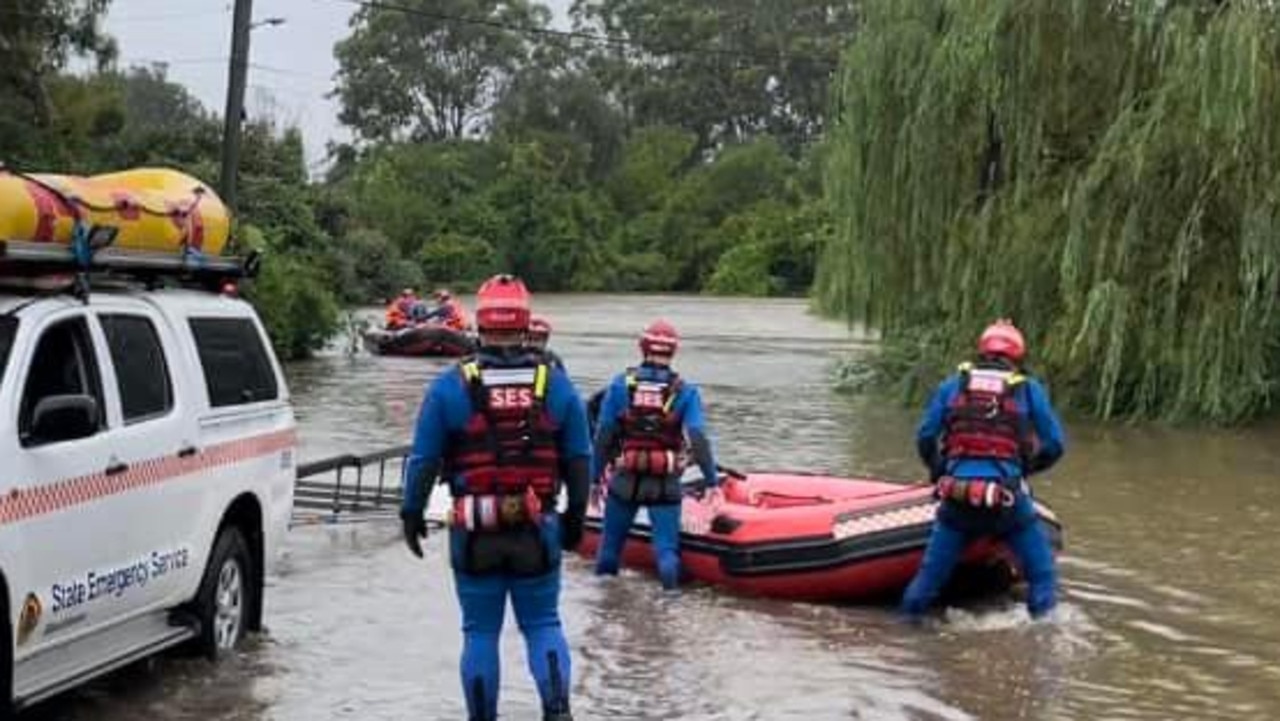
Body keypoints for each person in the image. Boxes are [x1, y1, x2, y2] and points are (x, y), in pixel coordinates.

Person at [400, 274, 591, 721]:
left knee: (479, 634)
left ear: (480, 324)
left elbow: (424, 461)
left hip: (473, 532)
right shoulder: (557, 384)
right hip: (537, 527)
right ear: (526, 323)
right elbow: (580, 460)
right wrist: (575, 522)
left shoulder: (449, 386)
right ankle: (558, 712)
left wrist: (411, 515)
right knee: (543, 625)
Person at [902, 319, 1066, 622]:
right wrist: (1025, 469)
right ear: (1017, 356)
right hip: (1008, 502)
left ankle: (906, 635)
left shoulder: (953, 386)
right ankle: (1044, 639)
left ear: (982, 351)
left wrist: (939, 470)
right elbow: (1055, 444)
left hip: (956, 498)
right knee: (1042, 577)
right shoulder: (1028, 390)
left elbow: (926, 437)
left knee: (927, 582)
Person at [591, 320, 719, 590]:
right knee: (666, 553)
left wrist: (593, 480)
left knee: (609, 552)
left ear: (643, 347)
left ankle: (604, 613)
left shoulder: (620, 385)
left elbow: (603, 436)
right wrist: (711, 482)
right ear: (673, 351)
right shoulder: (686, 391)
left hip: (625, 478)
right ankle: (668, 612)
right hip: (664, 481)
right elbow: (697, 437)